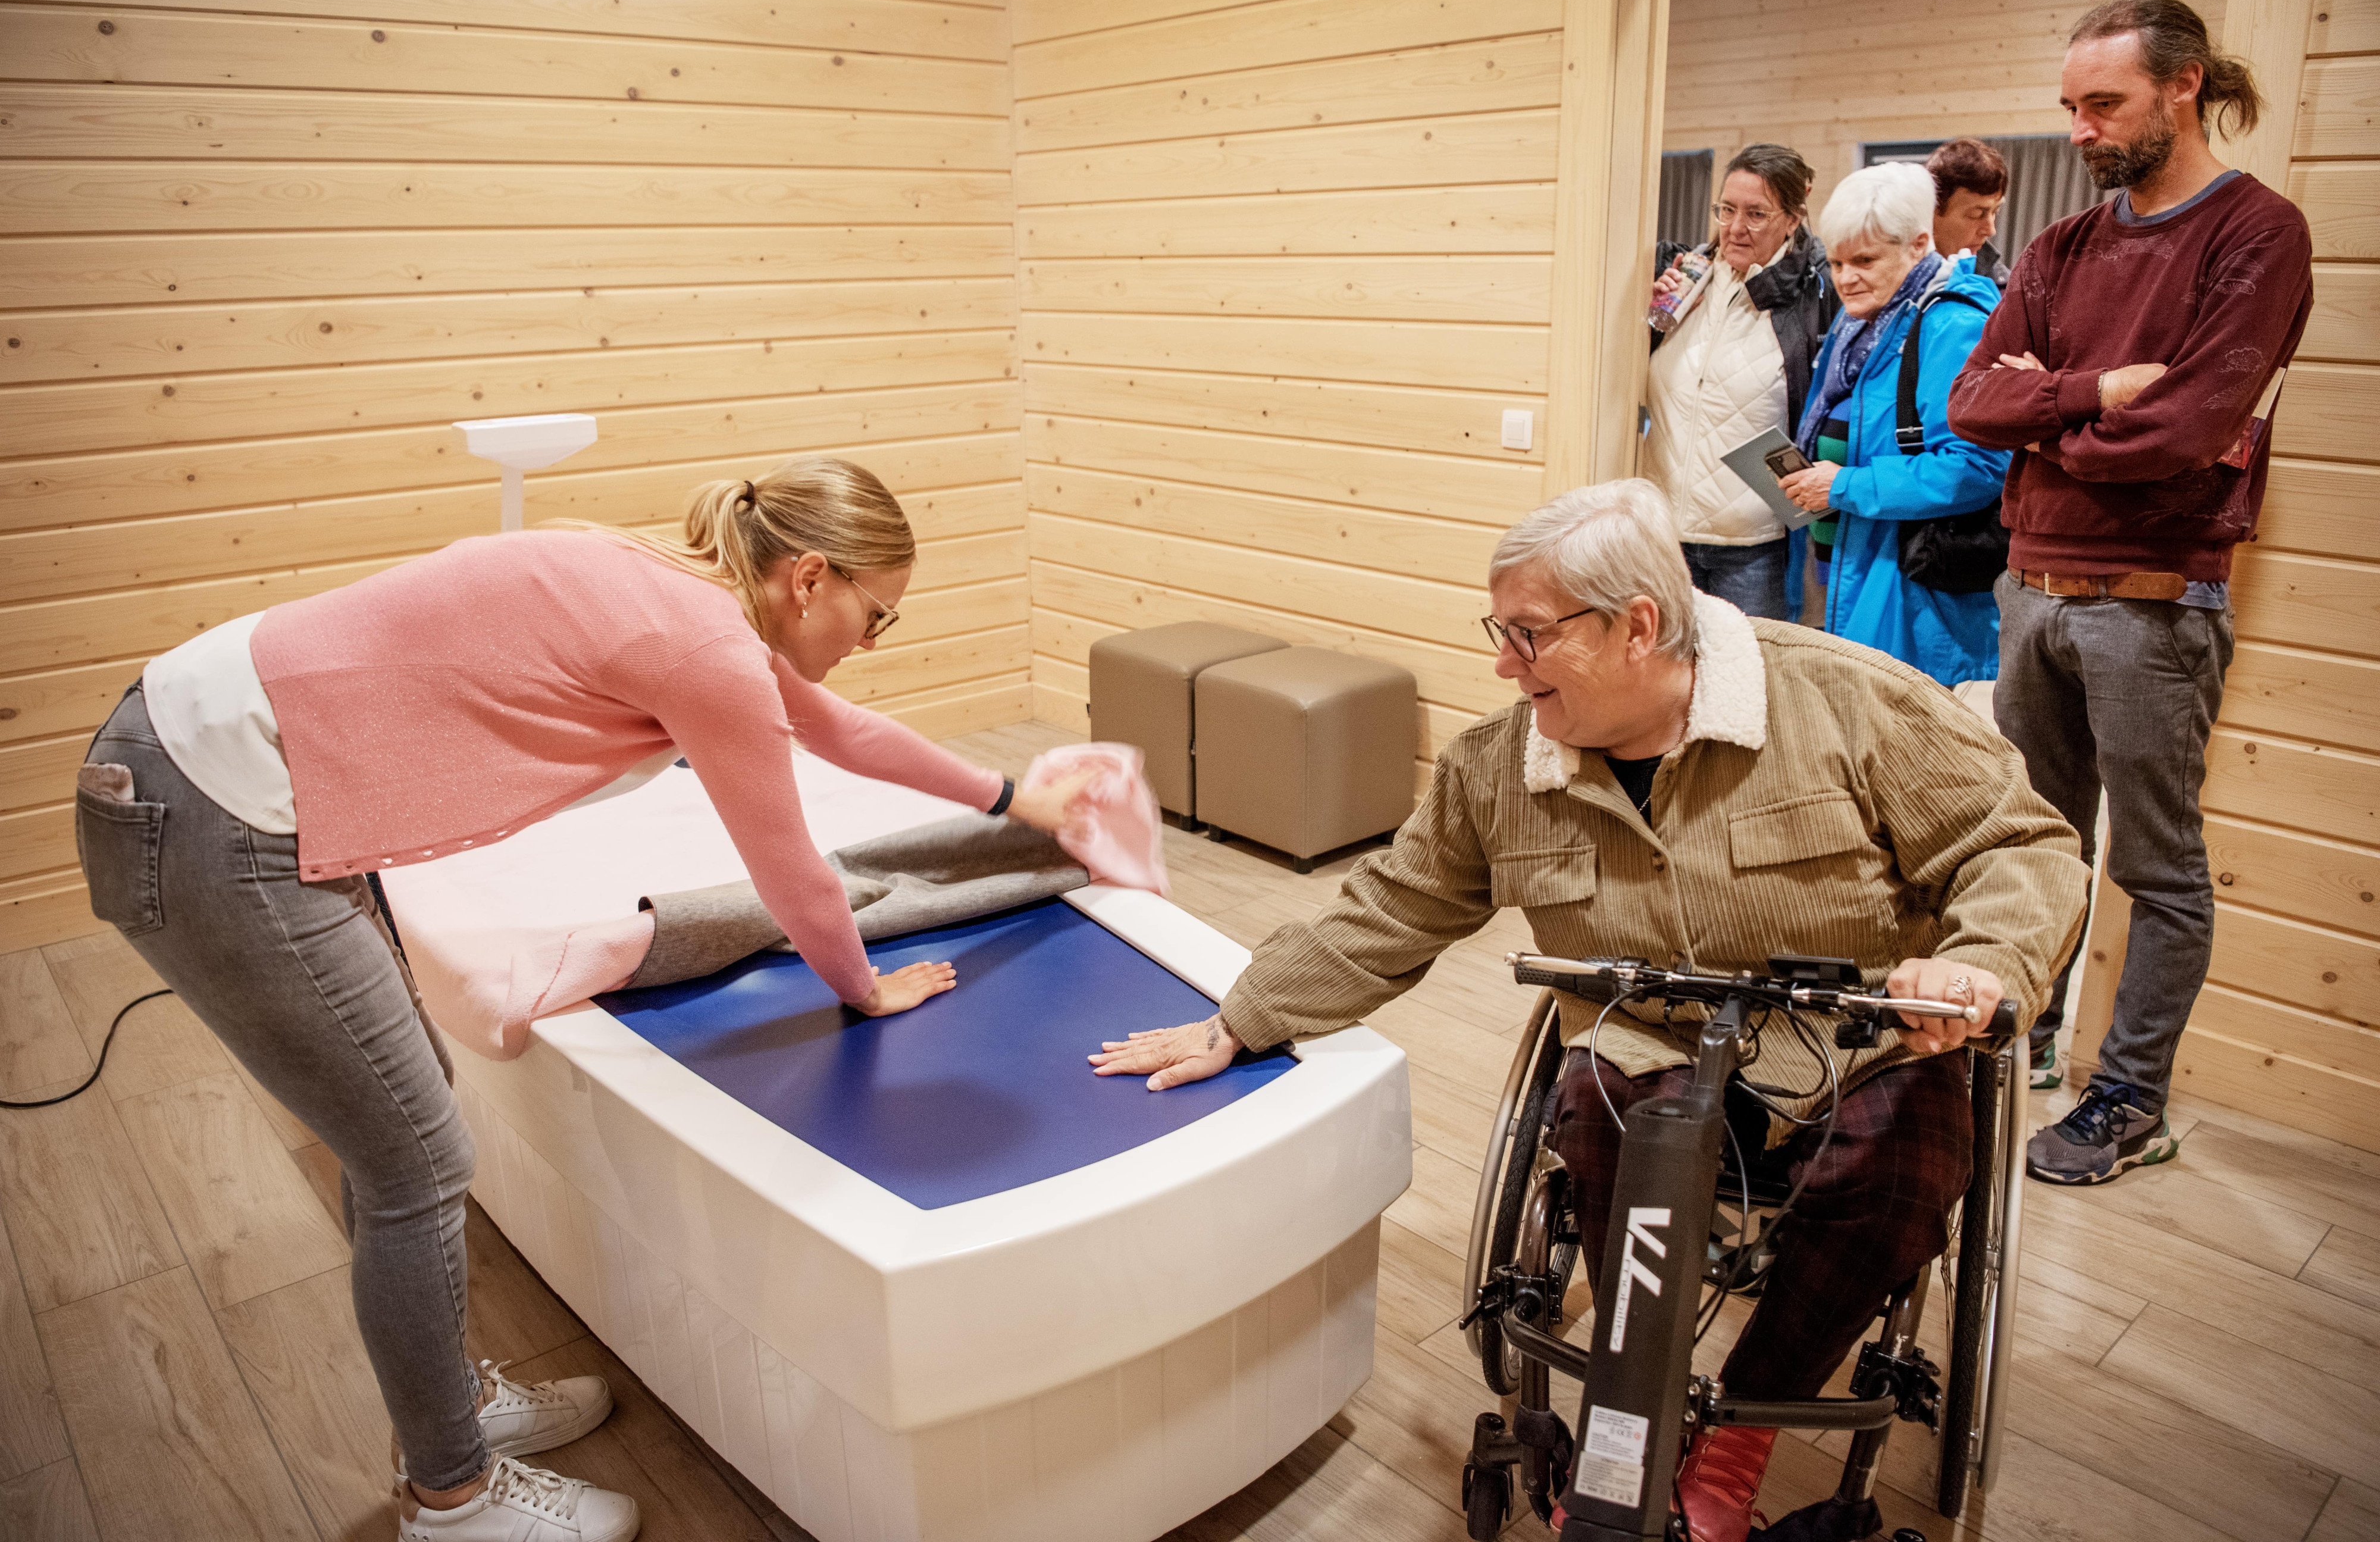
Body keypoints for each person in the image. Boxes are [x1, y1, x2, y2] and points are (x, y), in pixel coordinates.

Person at [74, 457, 1091, 1542]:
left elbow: (838, 731)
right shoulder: (706, 650)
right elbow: (792, 866)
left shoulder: (667, 577)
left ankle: (450, 1410)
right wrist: (864, 987)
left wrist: (1007, 794)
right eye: (875, 615)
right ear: (808, 579)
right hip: (209, 812)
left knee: (404, 1124)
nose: (871, 643)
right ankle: (451, 1501)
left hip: (211, 765)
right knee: (413, 1158)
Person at [1090, 481, 2087, 1542]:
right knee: (1605, 1132)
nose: (1501, 664)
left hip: (1858, 1046)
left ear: (1638, 627)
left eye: (1527, 635)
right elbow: (1395, 908)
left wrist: (1980, 965)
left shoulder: (1846, 703)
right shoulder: (1498, 769)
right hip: (1646, 1041)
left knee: (1903, 1178)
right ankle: (1634, 1414)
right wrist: (1245, 1014)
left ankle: (1738, 1439)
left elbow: (2018, 847)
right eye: (1499, 632)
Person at [1946, 0, 2313, 1178]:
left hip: (2152, 599)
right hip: (2030, 588)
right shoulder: (2058, 247)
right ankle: (2027, 1044)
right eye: (2067, 106)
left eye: (2099, 104)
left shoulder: (2255, 234)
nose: (2078, 130)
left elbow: (2192, 429)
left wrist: (2050, 411)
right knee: (2037, 848)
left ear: (2180, 85)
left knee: (2153, 865)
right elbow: (1971, 405)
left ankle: (2130, 1102)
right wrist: (2096, 397)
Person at [1777, 162, 2011, 686]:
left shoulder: (1952, 324)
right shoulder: (1858, 320)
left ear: (1919, 244)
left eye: (1864, 260)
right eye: (1836, 263)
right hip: (1843, 568)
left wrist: (1845, 484)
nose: (1845, 278)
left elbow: (1975, 467)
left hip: (1913, 593)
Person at [1642, 144, 1840, 619]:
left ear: (1793, 219)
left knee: (1747, 683)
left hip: (1754, 547)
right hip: (1664, 534)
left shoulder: (1814, 296)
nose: (1734, 227)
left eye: (1756, 214)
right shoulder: (1684, 279)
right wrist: (1642, 319)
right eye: (1727, 209)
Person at [1926, 137, 2011, 286]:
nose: (1991, 230)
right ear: (1932, 212)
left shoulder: (2005, 290)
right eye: (1977, 214)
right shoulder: (1886, 283)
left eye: (1995, 211)